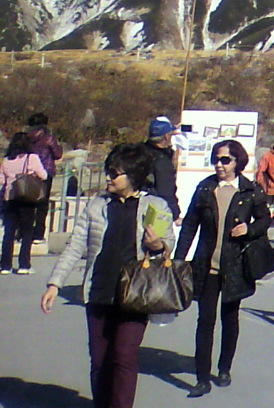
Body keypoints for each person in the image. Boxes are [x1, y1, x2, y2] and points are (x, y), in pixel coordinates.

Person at [42, 143, 173, 408]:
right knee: (100, 360)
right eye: (108, 172)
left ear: (134, 175)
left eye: (115, 173)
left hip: (136, 294)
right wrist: (55, 283)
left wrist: (159, 245)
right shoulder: (97, 205)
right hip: (99, 291)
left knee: (124, 356)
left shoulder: (155, 205)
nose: (109, 178)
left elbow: (168, 242)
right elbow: (75, 246)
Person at [176, 139, 271, 397]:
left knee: (230, 319)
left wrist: (249, 229)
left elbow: (265, 219)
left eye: (225, 160)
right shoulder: (205, 188)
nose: (219, 164)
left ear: (237, 162)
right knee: (205, 321)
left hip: (235, 266)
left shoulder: (250, 191)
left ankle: (224, 367)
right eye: (216, 159)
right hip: (206, 265)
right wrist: (178, 259)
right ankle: (202, 378)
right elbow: (189, 225)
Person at [2, 132, 48, 274]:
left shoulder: (6, 160)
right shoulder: (31, 158)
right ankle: (24, 264)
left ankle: (5, 265)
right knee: (27, 231)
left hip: (10, 197)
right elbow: (44, 175)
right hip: (26, 199)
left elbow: (1, 181)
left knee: (9, 232)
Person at [26, 112, 63, 243]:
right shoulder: (48, 138)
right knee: (42, 204)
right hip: (46, 172)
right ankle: (38, 234)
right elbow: (57, 154)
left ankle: (24, 232)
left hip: (29, 173)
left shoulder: (26, 137)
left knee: (28, 202)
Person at [143, 116, 181, 222]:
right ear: (166, 137)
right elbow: (166, 190)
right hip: (155, 212)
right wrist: (175, 214)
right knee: (158, 237)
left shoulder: (141, 151)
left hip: (135, 206)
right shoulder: (161, 160)